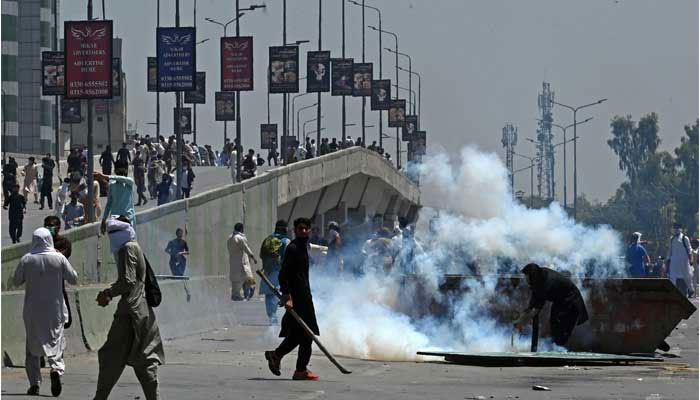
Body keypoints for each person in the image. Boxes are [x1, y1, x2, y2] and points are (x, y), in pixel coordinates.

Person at [93, 216, 164, 400]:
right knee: (144, 359)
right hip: (142, 311)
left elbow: (127, 281)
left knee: (111, 356)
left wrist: (107, 293)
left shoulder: (127, 249)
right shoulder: (135, 247)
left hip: (129, 313)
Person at [13, 227, 78, 396]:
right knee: (56, 342)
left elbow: (16, 280)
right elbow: (74, 278)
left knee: (32, 348)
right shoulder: (59, 258)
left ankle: (34, 383)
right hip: (54, 311)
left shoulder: (27, 259)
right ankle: (56, 369)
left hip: (33, 311)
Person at [264, 217, 320, 380]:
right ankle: (299, 369)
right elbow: (283, 275)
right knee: (307, 335)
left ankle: (279, 356)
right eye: (300, 228)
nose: (303, 231)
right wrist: (288, 297)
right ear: (295, 230)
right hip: (298, 299)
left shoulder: (303, 248)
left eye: (306, 228)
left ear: (309, 230)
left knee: (300, 334)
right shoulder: (293, 248)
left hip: (304, 297)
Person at [514, 263, 589, 347]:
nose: (525, 279)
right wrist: (521, 319)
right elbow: (532, 305)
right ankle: (556, 348)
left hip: (570, 302)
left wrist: (521, 321)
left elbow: (535, 309)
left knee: (559, 327)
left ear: (533, 277)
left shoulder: (546, 284)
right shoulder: (540, 276)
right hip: (561, 301)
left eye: (527, 277)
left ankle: (558, 351)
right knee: (555, 323)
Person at [259, 220, 291, 324]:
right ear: (284, 229)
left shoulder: (267, 239)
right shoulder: (286, 241)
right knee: (282, 295)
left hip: (267, 272)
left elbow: (261, 255)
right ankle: (280, 320)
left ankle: (272, 317)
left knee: (270, 296)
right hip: (280, 272)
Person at [96, 167, 135, 233]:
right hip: (115, 219)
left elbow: (123, 179)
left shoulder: (129, 183)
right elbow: (109, 204)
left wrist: (105, 176)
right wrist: (104, 220)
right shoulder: (112, 185)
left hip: (128, 218)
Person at [227, 223, 258, 301]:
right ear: (241, 229)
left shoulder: (230, 237)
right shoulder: (240, 238)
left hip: (233, 261)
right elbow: (246, 248)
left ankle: (236, 295)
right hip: (242, 262)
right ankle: (250, 290)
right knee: (248, 276)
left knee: (236, 279)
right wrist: (253, 256)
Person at [666, 223, 694, 297]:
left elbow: (689, 250)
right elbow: (669, 251)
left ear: (680, 229)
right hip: (674, 263)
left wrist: (691, 259)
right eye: (674, 228)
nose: (675, 229)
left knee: (687, 277)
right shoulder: (672, 239)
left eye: (677, 228)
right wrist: (667, 262)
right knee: (672, 277)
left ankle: (691, 290)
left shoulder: (685, 238)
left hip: (684, 262)